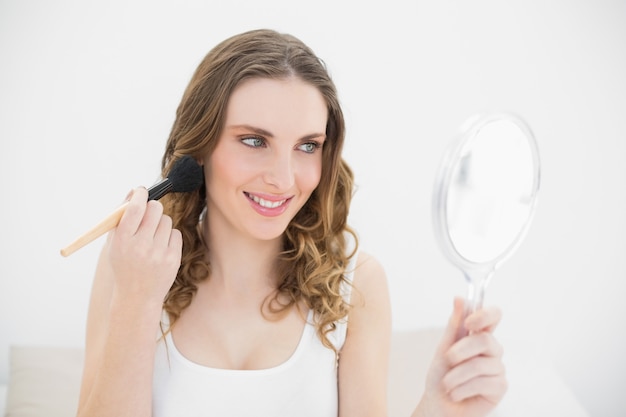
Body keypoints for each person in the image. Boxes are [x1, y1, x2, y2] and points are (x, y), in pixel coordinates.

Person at [76, 29, 507, 417]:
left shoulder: (357, 286)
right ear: (200, 147)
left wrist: (442, 407)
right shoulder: (132, 267)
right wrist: (138, 301)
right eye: (253, 140)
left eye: (307, 146)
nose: (283, 179)